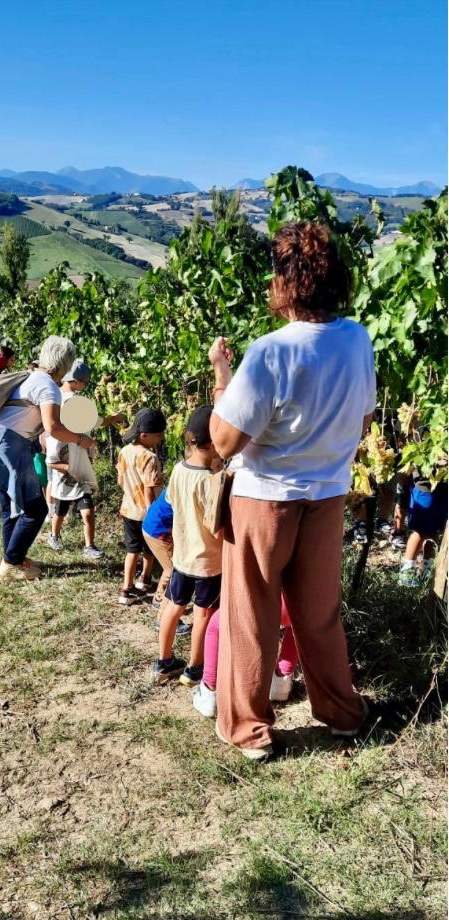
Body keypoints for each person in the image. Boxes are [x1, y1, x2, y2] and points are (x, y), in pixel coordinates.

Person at [209, 221, 376, 760]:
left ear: (290, 280)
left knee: (251, 614)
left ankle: (249, 730)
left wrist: (220, 378)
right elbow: (365, 420)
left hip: (265, 500)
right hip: (327, 497)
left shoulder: (270, 351)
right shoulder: (357, 339)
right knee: (319, 612)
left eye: (274, 273)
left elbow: (224, 440)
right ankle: (342, 713)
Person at [0, 335, 96, 582]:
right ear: (65, 364)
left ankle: (13, 557)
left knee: (10, 507)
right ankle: (12, 562)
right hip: (10, 446)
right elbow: (53, 426)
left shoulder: (30, 376)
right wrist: (82, 440)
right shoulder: (48, 386)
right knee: (35, 510)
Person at [152, 406, 223, 685]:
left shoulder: (179, 470)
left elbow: (171, 503)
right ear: (216, 441)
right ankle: (195, 668)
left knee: (174, 606)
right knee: (203, 613)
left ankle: (164, 661)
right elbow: (215, 526)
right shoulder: (210, 480)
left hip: (182, 558)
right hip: (208, 562)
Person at [192, 593, 298, 718]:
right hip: (305, 601)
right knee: (298, 626)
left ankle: (209, 692)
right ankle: (281, 684)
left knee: (216, 624)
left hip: (271, 599)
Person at [45, 360, 104, 560]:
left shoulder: (54, 399)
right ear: (76, 382)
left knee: (88, 510)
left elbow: (94, 421)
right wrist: (66, 467)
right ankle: (54, 535)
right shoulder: (64, 402)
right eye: (85, 383)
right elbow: (51, 459)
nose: (86, 386)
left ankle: (89, 545)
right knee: (61, 510)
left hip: (80, 469)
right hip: (65, 470)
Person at [117, 408, 166, 605]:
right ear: (144, 435)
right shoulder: (150, 458)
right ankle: (144, 579)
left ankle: (126, 588)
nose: (161, 438)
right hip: (146, 512)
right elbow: (149, 490)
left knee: (132, 550)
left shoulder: (124, 451)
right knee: (149, 550)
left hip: (129, 509)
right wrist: (153, 514)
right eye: (158, 435)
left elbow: (121, 479)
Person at [142, 488, 191, 636]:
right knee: (175, 572)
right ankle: (163, 619)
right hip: (158, 531)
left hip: (152, 526)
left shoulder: (182, 475)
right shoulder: (192, 482)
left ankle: (158, 598)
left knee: (169, 567)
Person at [399, 475, 448, 586]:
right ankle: (407, 571)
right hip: (425, 487)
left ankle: (427, 571)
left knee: (434, 531)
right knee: (420, 531)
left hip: (444, 488)